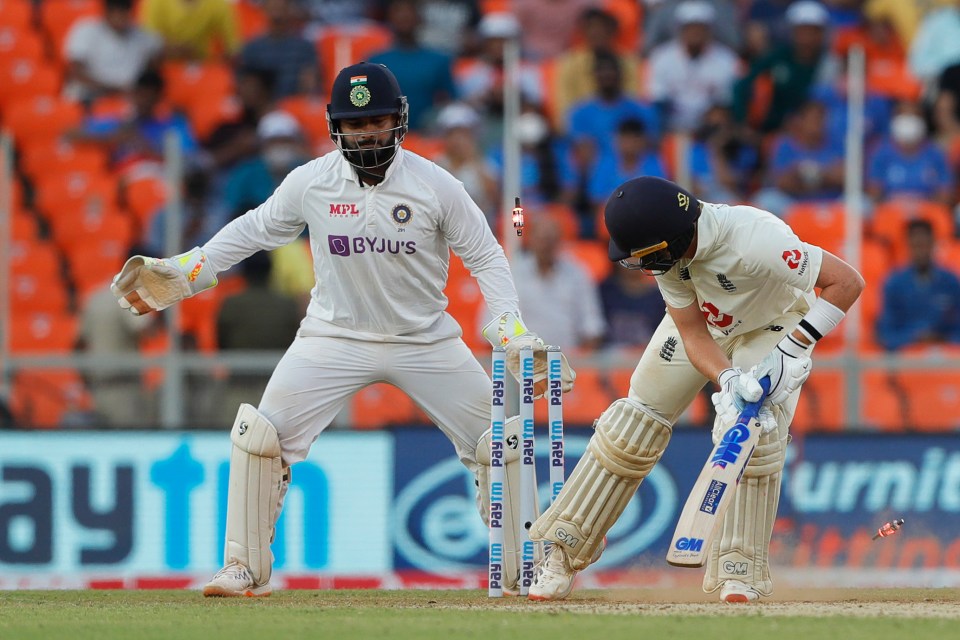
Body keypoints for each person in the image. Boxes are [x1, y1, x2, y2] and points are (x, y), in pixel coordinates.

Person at [109, 61, 575, 597]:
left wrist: (509, 329)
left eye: (377, 121)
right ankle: (241, 567)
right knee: (261, 437)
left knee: (503, 443)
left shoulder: (435, 184)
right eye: (356, 124)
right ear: (336, 127)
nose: (368, 133)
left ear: (398, 121)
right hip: (334, 336)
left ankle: (527, 569)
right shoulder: (312, 181)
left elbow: (488, 256)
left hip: (424, 338)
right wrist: (188, 271)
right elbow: (256, 228)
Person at [525, 175, 864, 602]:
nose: (642, 267)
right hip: (708, 325)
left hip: (772, 325)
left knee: (754, 432)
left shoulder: (754, 240)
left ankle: (739, 569)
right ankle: (563, 549)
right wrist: (726, 380)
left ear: (670, 240)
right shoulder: (669, 259)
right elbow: (692, 332)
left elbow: (847, 282)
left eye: (645, 257)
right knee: (631, 426)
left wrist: (793, 349)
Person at [876, 219, 960, 351]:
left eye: (925, 245)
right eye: (916, 245)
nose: (921, 251)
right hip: (908, 357)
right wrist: (914, 337)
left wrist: (942, 340)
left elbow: (957, 326)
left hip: (945, 355)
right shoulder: (894, 283)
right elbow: (887, 333)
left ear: (933, 244)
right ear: (908, 246)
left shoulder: (951, 281)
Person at [63, 0, 163, 104]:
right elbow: (76, 72)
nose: (121, 17)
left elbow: (156, 63)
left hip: (130, 98)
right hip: (90, 96)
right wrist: (112, 88)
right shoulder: (86, 30)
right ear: (107, 12)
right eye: (116, 12)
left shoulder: (143, 35)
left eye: (124, 12)